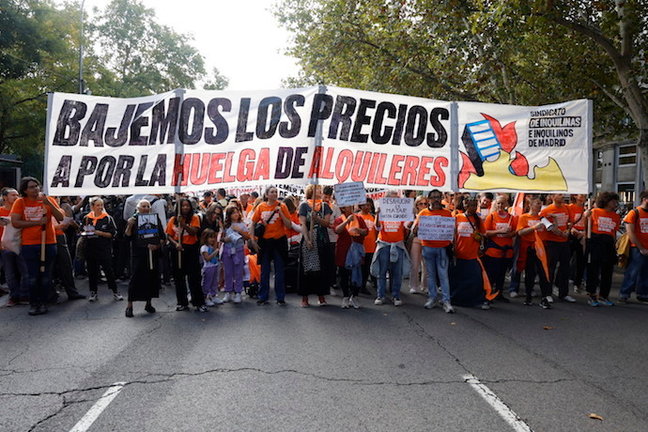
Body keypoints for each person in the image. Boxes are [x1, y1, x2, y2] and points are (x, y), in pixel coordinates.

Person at [10, 177, 64, 315]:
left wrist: (49, 204)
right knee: (32, 276)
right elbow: (16, 222)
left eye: (37, 186)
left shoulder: (47, 200)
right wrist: (38, 222)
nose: (36, 189)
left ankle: (44, 302)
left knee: (46, 276)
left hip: (49, 243)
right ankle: (34, 303)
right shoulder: (20, 202)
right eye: (32, 187)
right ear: (25, 190)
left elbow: (61, 218)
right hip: (30, 244)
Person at [412, 189, 454, 313]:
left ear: (441, 198)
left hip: (442, 248)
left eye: (438, 197)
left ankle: (446, 301)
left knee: (443, 275)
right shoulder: (423, 213)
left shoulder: (447, 213)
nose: (436, 199)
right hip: (428, 248)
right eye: (433, 197)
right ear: (429, 199)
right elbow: (414, 230)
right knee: (430, 275)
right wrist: (415, 228)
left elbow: (452, 231)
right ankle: (432, 297)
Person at [124, 199, 165, 317]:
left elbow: (162, 236)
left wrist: (156, 245)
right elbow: (127, 238)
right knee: (135, 279)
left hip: (152, 254)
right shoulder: (133, 220)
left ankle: (148, 303)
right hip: (139, 255)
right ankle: (129, 306)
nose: (146, 208)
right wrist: (129, 226)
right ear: (138, 208)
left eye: (148, 206)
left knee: (151, 279)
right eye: (143, 206)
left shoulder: (155, 219)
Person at [251, 186, 292, 305]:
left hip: (279, 241)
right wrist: (253, 240)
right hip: (265, 242)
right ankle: (263, 296)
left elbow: (288, 225)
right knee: (265, 270)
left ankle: (280, 297)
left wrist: (281, 214)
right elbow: (253, 224)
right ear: (267, 195)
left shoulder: (282, 206)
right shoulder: (261, 207)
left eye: (276, 192)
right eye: (272, 192)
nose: (274, 194)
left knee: (279, 270)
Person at [167, 198, 206, 312]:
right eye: (183, 206)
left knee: (194, 277)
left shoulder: (194, 218)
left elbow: (194, 232)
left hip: (191, 249)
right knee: (179, 278)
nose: (185, 208)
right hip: (178, 250)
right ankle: (182, 302)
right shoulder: (173, 220)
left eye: (187, 205)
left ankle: (198, 302)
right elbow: (168, 235)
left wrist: (183, 224)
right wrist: (176, 244)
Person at [450, 197, 490, 309]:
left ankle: (475, 300)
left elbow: (484, 234)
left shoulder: (478, 219)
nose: (473, 208)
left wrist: (479, 236)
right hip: (459, 253)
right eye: (470, 205)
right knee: (459, 278)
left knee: (474, 279)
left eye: (474, 205)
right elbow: (452, 234)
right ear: (465, 205)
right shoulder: (457, 217)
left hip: (473, 254)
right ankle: (456, 299)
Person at [372, 191, 409, 306]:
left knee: (397, 272)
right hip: (384, 245)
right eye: (391, 199)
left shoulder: (402, 212)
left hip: (397, 245)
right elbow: (377, 227)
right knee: (382, 272)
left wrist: (411, 215)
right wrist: (378, 214)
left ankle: (396, 296)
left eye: (396, 199)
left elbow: (408, 226)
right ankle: (380, 295)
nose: (394, 202)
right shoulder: (382, 212)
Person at [583, 192, 620, 306]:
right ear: (606, 201)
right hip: (595, 242)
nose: (615, 203)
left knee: (607, 271)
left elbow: (613, 232)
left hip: (608, 243)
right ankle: (592, 294)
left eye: (615, 201)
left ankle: (604, 295)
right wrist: (585, 216)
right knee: (593, 270)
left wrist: (615, 246)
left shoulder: (616, 216)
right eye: (612, 201)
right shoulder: (594, 212)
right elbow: (587, 226)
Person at [82, 197, 122, 302]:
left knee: (108, 270)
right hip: (90, 249)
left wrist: (100, 233)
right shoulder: (86, 218)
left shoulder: (107, 218)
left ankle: (115, 292)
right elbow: (82, 231)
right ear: (92, 207)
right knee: (92, 272)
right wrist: (86, 233)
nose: (100, 207)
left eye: (101, 205)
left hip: (104, 249)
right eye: (97, 205)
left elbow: (112, 234)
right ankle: (93, 292)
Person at [298, 184, 332, 307]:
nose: (319, 191)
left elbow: (327, 223)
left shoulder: (325, 206)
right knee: (306, 269)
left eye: (320, 189)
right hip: (309, 237)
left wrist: (316, 219)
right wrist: (307, 239)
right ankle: (305, 297)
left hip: (321, 240)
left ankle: (321, 295)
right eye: (317, 189)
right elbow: (302, 224)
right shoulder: (304, 205)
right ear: (311, 191)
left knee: (321, 267)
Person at [516, 196, 552, 309]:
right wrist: (534, 228)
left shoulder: (543, 218)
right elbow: (520, 232)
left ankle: (544, 297)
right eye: (537, 203)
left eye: (540, 204)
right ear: (530, 205)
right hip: (529, 248)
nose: (539, 206)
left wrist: (554, 221)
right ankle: (528, 296)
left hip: (541, 249)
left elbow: (552, 229)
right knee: (530, 273)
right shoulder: (524, 217)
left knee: (543, 273)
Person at [540, 194, 576, 302]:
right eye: (559, 195)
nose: (562, 196)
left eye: (562, 194)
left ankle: (563, 293)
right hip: (552, 242)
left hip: (564, 242)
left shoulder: (566, 208)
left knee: (565, 268)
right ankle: (547, 293)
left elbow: (570, 222)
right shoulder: (547, 210)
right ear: (552, 197)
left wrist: (568, 231)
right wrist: (560, 233)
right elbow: (547, 226)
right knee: (551, 267)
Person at [483, 195, 517, 302]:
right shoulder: (491, 217)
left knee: (502, 274)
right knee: (491, 274)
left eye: (502, 203)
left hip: (506, 251)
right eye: (498, 203)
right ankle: (488, 295)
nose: (500, 205)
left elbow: (515, 232)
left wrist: (510, 234)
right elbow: (486, 232)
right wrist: (499, 232)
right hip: (493, 251)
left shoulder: (511, 218)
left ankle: (499, 293)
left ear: (506, 204)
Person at [334, 206, 367, 309]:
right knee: (344, 274)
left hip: (356, 251)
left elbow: (366, 231)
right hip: (344, 251)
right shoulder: (339, 219)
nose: (351, 207)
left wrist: (359, 230)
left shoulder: (359, 219)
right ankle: (345, 296)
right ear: (343, 209)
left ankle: (355, 296)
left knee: (356, 273)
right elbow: (337, 230)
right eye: (349, 206)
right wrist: (347, 221)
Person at [618, 190, 648, 303]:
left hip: (646, 247)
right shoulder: (634, 212)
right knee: (633, 271)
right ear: (645, 199)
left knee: (645, 272)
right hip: (637, 247)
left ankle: (643, 294)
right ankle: (624, 293)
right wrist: (641, 248)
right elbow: (630, 232)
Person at [1, 187, 29, 307]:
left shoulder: (22, 210)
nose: (16, 197)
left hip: (21, 245)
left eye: (17, 195)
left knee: (25, 271)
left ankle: (23, 295)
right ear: (5, 197)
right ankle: (14, 296)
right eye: (13, 195)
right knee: (10, 273)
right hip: (5, 247)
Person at [221, 205, 250, 303]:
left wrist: (240, 231)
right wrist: (225, 239)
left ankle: (238, 292)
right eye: (233, 212)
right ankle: (228, 291)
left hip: (238, 250)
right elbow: (220, 238)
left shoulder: (242, 224)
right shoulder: (225, 225)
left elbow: (247, 237)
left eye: (237, 212)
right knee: (228, 272)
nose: (236, 214)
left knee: (238, 272)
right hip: (227, 250)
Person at [407, 195, 428, 295]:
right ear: (417, 205)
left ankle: (425, 286)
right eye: (421, 204)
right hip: (416, 240)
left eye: (425, 203)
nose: (423, 205)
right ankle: (413, 285)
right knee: (415, 264)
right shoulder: (412, 215)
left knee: (426, 265)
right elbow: (407, 227)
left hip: (427, 241)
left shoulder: (430, 214)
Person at [200, 228, 224, 306]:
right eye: (210, 237)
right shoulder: (204, 248)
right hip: (208, 268)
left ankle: (213, 295)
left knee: (214, 282)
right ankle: (205, 297)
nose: (213, 239)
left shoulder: (211, 246)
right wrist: (215, 252)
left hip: (215, 266)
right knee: (207, 283)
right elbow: (207, 258)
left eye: (214, 237)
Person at [358, 198, 377, 294]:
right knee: (359, 267)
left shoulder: (373, 217)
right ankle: (357, 285)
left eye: (369, 205)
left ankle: (363, 286)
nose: (367, 207)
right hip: (360, 246)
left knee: (367, 268)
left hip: (371, 247)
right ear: (360, 205)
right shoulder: (356, 216)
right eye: (365, 204)